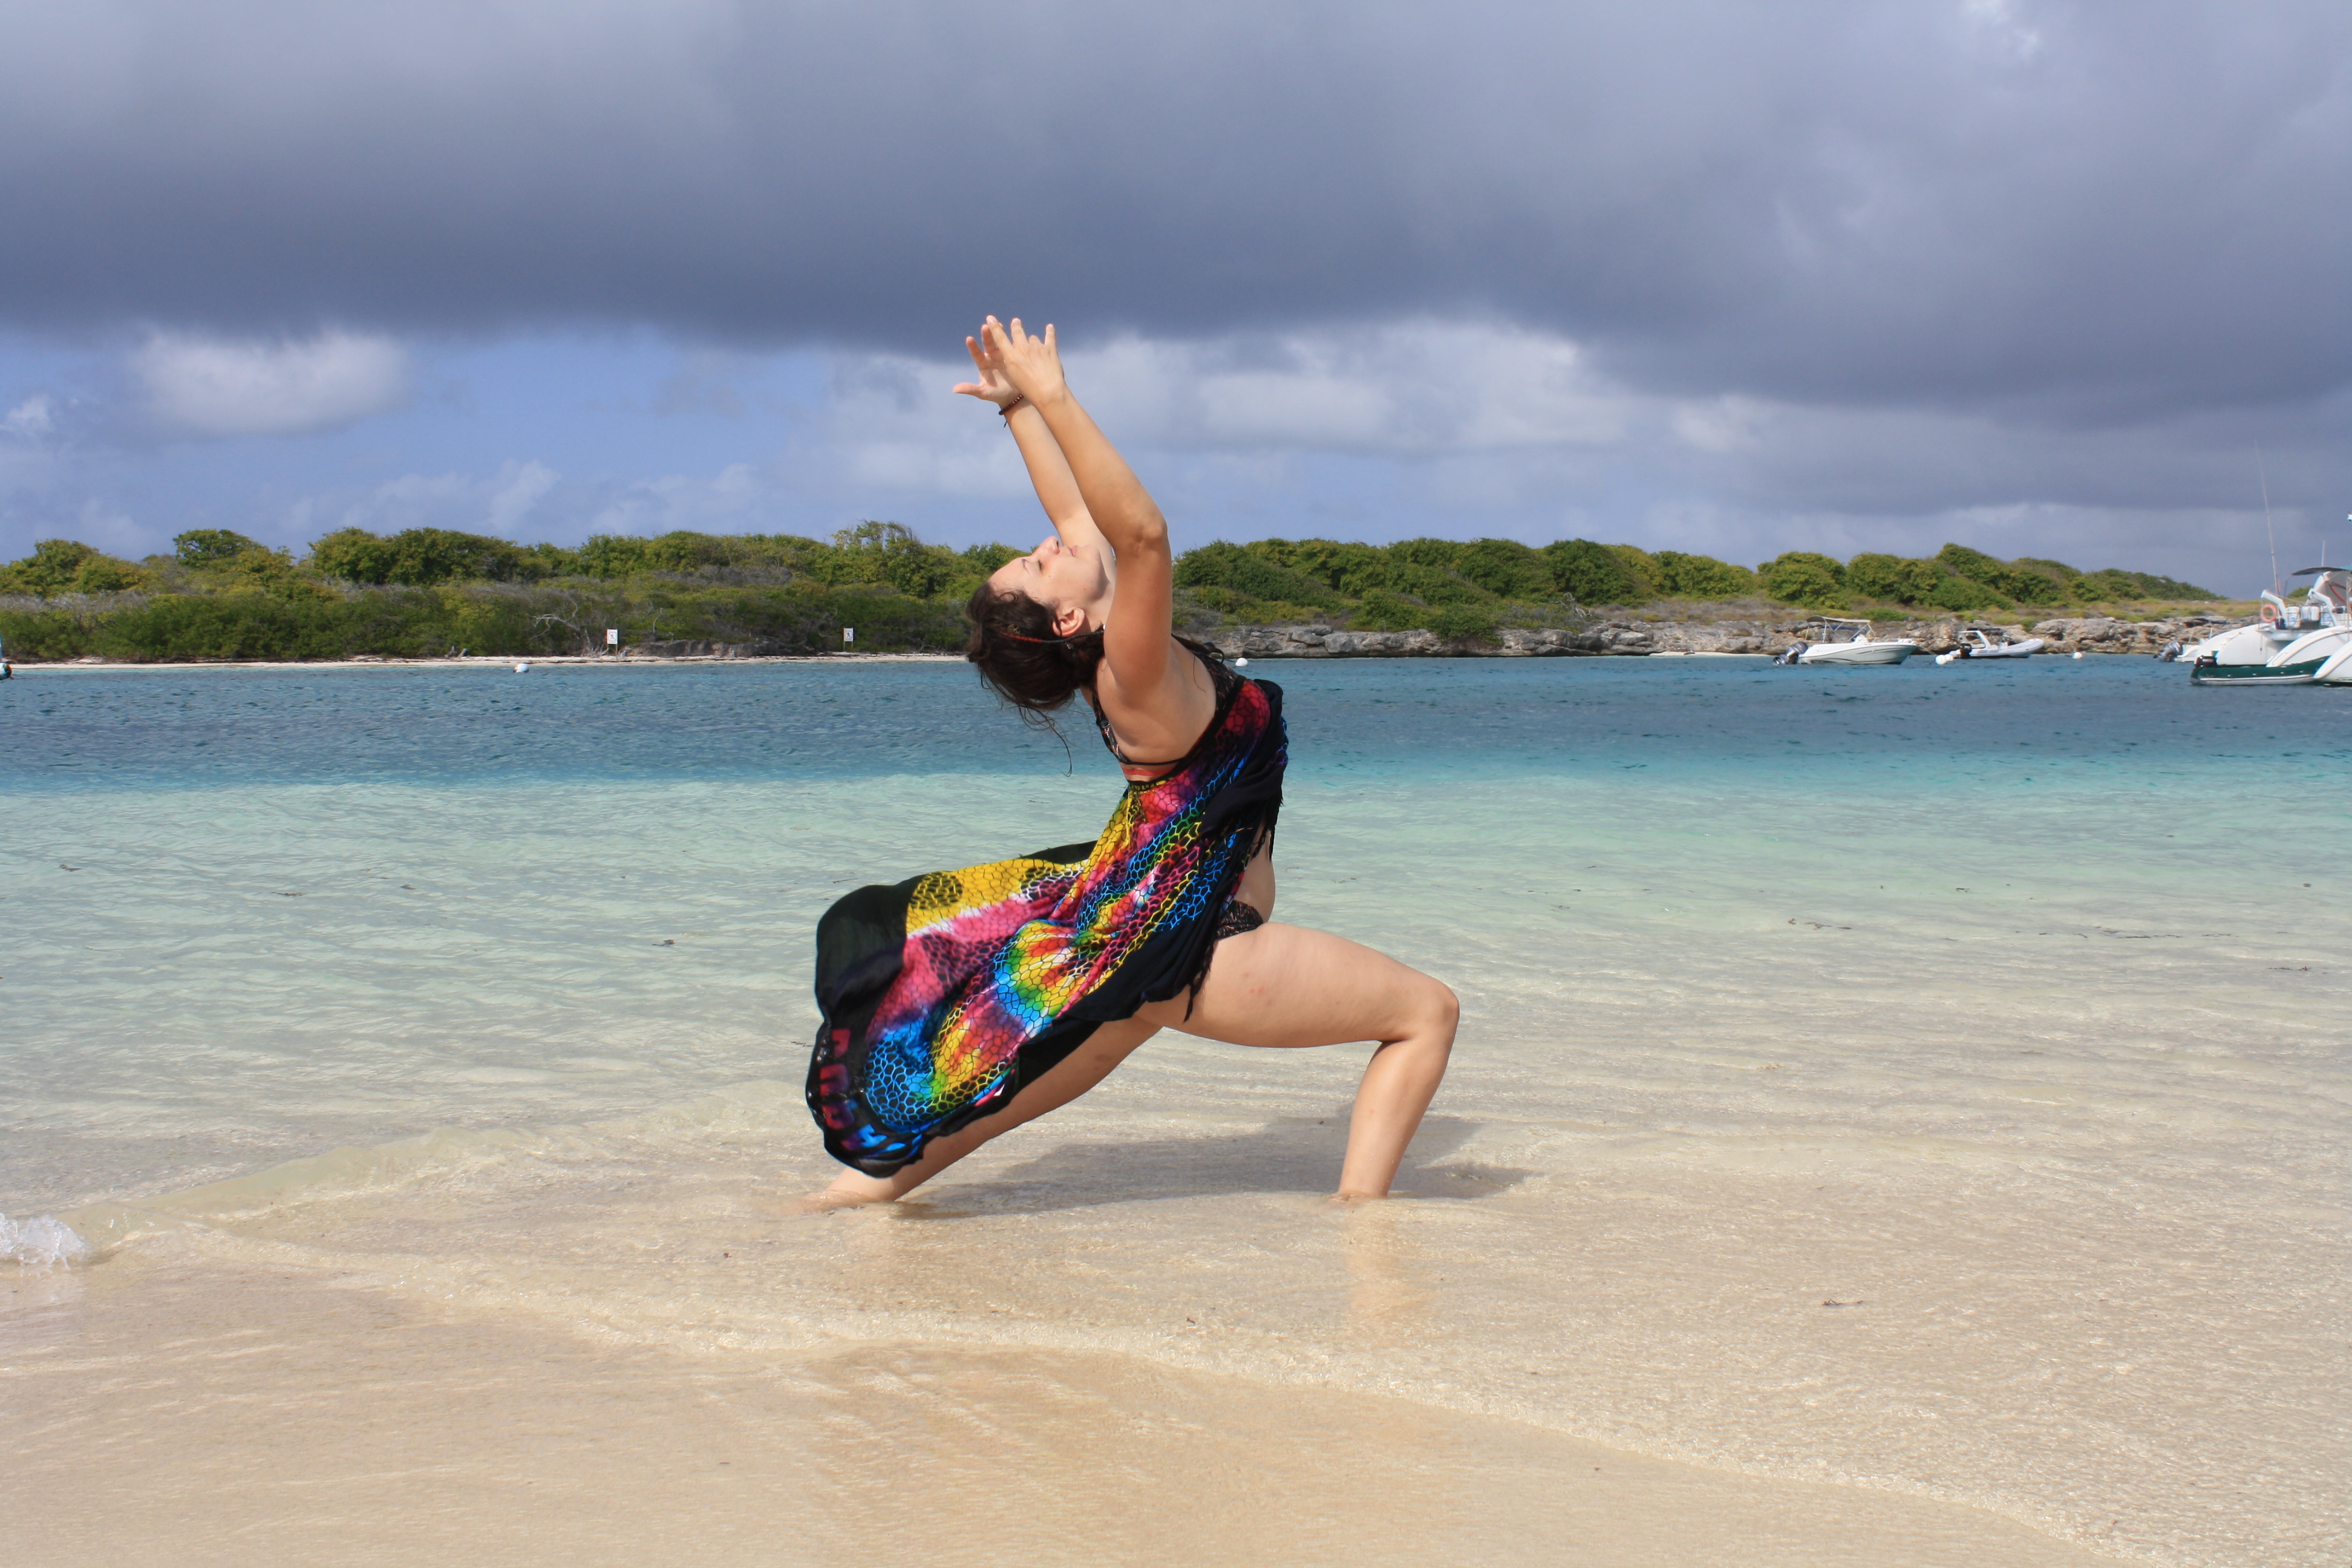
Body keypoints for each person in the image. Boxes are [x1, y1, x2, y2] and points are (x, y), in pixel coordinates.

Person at [803, 316, 1457, 1209]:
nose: (1052, 544)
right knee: (1427, 1014)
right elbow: (1142, 532)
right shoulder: (1133, 672)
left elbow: (1081, 516)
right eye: (1039, 564)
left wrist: (1018, 410)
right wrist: (1056, 392)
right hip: (1192, 940)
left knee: (1002, 1101)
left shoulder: (1107, 648)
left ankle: (841, 1206)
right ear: (1068, 620)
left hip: (1140, 926)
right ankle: (1362, 1227)